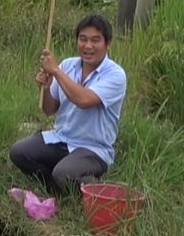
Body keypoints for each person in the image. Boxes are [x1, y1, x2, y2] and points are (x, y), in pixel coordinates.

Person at [9, 13, 127, 196]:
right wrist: (46, 88)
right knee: (19, 152)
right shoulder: (68, 65)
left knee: (63, 173)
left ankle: (95, 188)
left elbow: (84, 100)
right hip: (61, 138)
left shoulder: (115, 75)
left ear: (107, 43)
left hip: (93, 148)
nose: (88, 46)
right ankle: (57, 185)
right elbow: (49, 110)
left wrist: (55, 71)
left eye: (95, 40)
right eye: (83, 39)